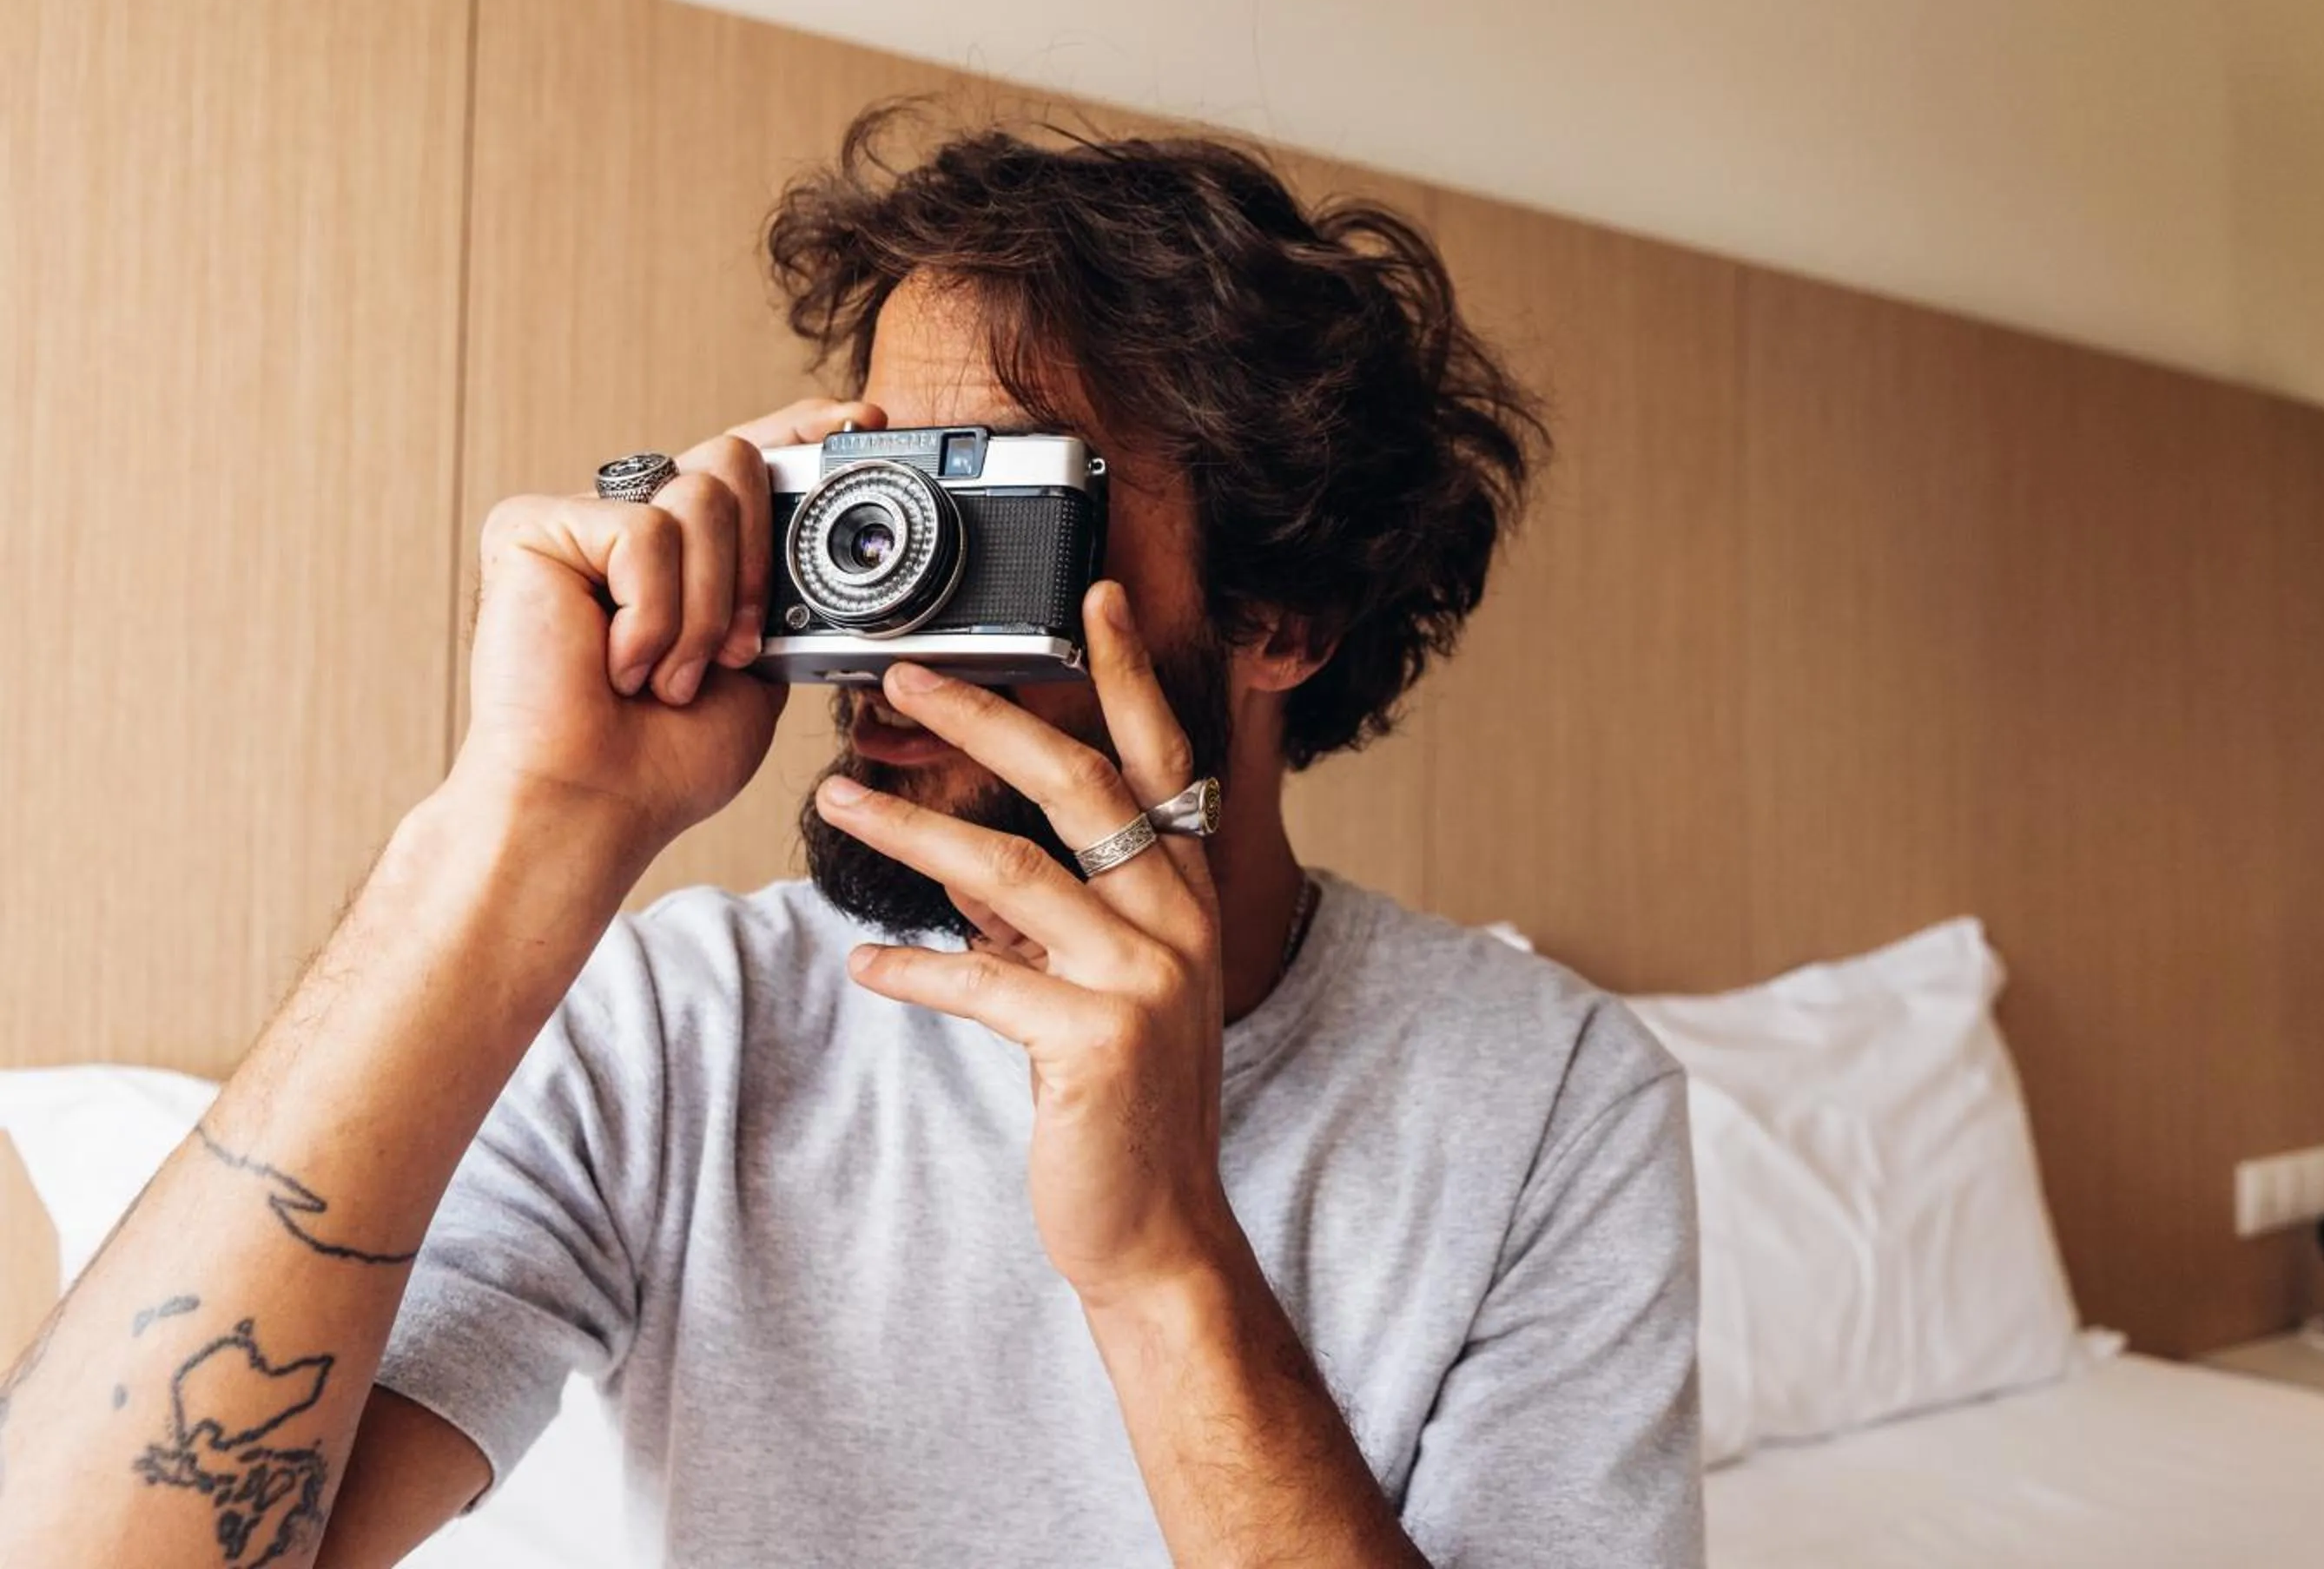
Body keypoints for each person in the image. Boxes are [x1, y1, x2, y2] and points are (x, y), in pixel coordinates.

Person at [0, 109, 1700, 1568]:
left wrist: (1169, 1259)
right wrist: (522, 826)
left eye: (996, 513)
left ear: (1285, 613)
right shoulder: (694, 1027)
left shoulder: (1549, 1100)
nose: (889, 607)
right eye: (873, 501)